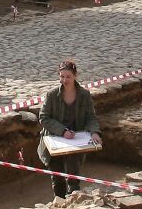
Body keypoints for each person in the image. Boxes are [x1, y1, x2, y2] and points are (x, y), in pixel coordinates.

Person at [38, 59, 100, 199]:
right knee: (57, 175)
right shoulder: (52, 95)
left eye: (68, 77)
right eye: (62, 76)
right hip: (54, 140)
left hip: (76, 140)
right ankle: (60, 201)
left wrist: (95, 132)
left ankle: (74, 199)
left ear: (75, 76)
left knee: (73, 173)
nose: (64, 80)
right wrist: (62, 131)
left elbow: (91, 117)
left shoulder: (84, 95)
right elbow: (44, 117)